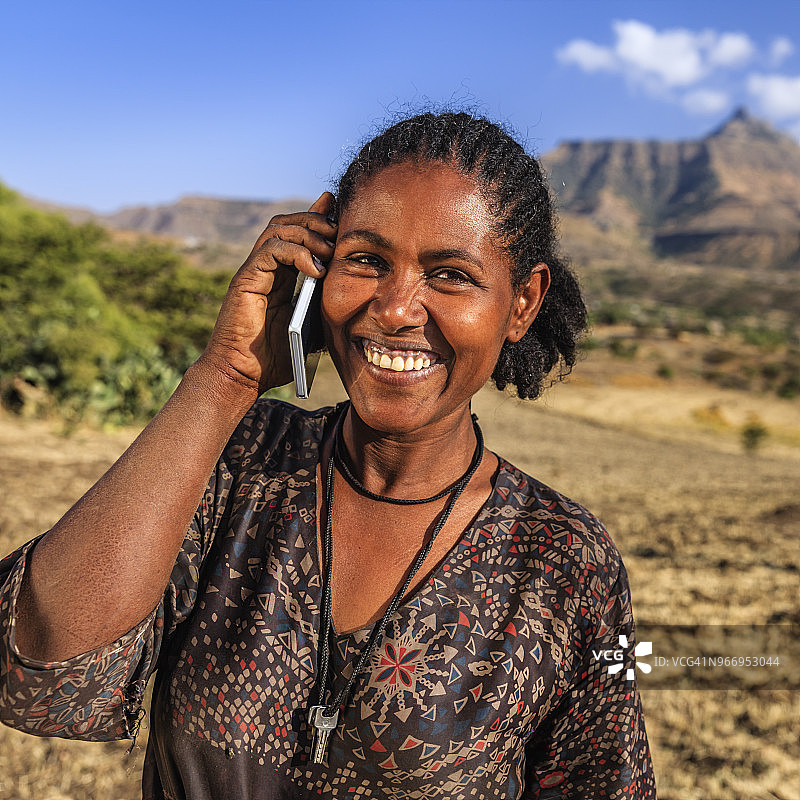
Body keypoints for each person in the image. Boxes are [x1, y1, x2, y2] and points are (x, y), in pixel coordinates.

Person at [0, 112, 656, 798]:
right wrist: (227, 375)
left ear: (522, 302)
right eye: (367, 260)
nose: (397, 308)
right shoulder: (238, 466)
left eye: (451, 274)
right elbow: (40, 672)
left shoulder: (560, 559)